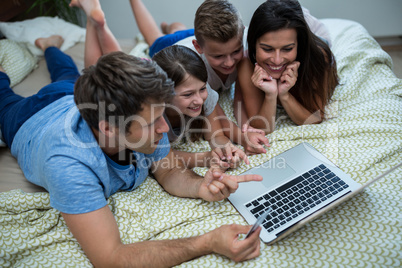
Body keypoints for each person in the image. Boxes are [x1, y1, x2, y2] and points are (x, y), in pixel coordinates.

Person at [0, 34, 263, 266]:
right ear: (109, 129)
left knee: (67, 76)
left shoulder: (141, 115)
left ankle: (50, 46)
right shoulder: (68, 164)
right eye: (152, 123)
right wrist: (206, 243)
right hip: (28, 119)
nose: (164, 129)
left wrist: (200, 187)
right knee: (4, 93)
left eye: (162, 115)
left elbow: (168, 171)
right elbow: (111, 257)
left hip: (70, 97)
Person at [70, 0, 249, 169]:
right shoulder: (152, 113)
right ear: (164, 95)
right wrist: (206, 158)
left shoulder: (201, 90)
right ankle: (98, 23)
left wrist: (225, 148)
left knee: (176, 30)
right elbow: (162, 157)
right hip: (168, 51)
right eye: (187, 95)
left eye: (202, 90)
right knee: (109, 70)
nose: (199, 100)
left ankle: (172, 27)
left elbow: (217, 134)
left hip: (182, 52)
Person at [130, 0, 271, 156]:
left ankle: (173, 27)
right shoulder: (193, 72)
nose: (230, 62)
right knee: (155, 39)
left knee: (179, 29)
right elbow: (218, 116)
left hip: (203, 39)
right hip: (175, 47)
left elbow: (221, 119)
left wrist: (244, 136)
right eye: (218, 56)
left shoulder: (244, 45)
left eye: (235, 52)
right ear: (198, 47)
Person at [235, 0, 339, 134]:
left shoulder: (318, 57)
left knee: (300, 19)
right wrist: (271, 95)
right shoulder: (246, 63)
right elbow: (263, 127)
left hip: (317, 37)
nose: (277, 60)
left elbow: (314, 118)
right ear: (254, 45)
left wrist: (284, 95)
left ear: (298, 45)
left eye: (287, 49)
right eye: (267, 49)